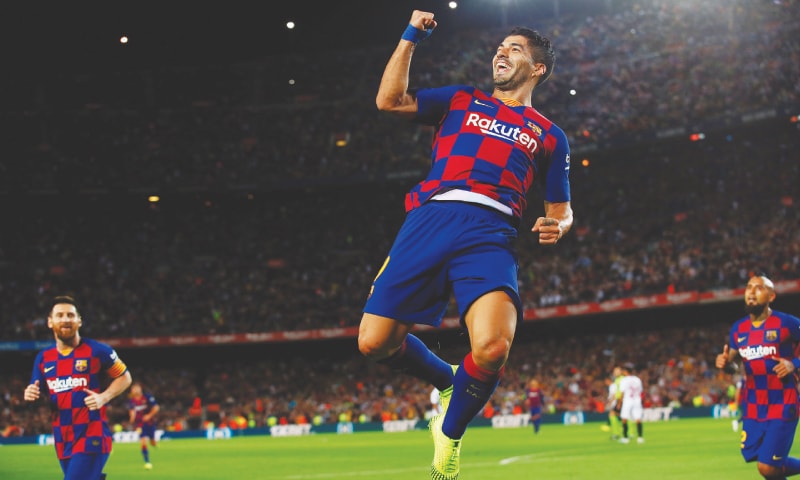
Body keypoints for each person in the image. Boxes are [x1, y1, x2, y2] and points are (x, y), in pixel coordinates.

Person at [357, 9, 572, 480]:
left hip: (490, 232)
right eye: (500, 46)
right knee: (373, 343)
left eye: (514, 48)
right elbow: (388, 101)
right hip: (431, 217)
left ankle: (449, 437)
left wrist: (560, 224)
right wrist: (410, 35)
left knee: (494, 347)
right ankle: (447, 381)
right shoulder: (461, 99)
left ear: (538, 69)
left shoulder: (550, 136)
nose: (501, 51)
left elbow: (560, 207)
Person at [23, 295, 133, 480]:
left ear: (79, 321)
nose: (65, 319)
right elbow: (39, 393)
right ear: (50, 322)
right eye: (59, 315)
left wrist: (103, 397)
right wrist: (30, 394)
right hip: (62, 438)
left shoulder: (98, 350)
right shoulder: (43, 358)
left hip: (92, 434)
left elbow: (125, 377)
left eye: (70, 315)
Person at [715, 275, 800, 479]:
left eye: (759, 288)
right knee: (759, 458)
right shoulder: (738, 329)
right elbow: (734, 364)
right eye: (749, 287)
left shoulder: (786, 323)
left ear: (771, 296)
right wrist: (726, 364)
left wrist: (793, 364)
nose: (751, 292)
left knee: (767, 467)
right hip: (753, 405)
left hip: (783, 401)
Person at [127, 382, 160, 470]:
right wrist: (132, 419)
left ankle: (154, 442)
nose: (135, 390)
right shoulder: (132, 401)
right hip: (140, 424)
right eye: (133, 389)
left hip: (150, 423)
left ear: (140, 389)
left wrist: (149, 416)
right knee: (143, 441)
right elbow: (132, 411)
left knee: (152, 442)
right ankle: (147, 461)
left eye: (136, 388)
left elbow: (156, 408)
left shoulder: (147, 397)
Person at [617, 363, 644, 444]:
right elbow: (640, 391)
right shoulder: (637, 379)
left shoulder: (624, 380)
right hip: (636, 400)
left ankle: (625, 438)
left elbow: (622, 393)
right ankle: (640, 437)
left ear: (626, 372)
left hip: (628, 400)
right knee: (638, 419)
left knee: (624, 418)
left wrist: (619, 403)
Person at [603, 365, 623, 440]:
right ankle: (619, 432)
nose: (614, 373)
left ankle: (618, 433)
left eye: (616, 371)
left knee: (614, 415)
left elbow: (616, 394)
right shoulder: (617, 381)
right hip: (619, 401)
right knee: (615, 415)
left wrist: (611, 402)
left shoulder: (617, 382)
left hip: (619, 401)